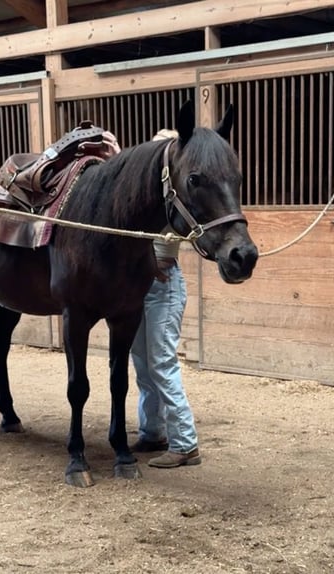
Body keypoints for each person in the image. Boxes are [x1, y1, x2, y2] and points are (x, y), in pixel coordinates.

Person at [130, 128, 201, 469]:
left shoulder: (173, 200)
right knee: (143, 365)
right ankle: (152, 431)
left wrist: (142, 259)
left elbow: (163, 257)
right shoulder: (145, 197)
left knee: (161, 363)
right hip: (142, 288)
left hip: (163, 286)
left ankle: (185, 443)